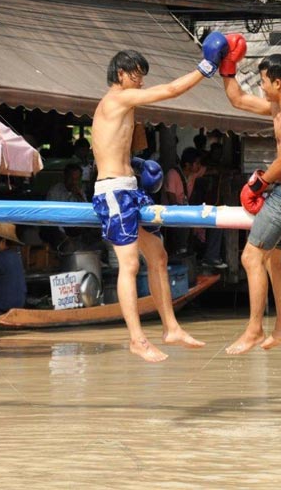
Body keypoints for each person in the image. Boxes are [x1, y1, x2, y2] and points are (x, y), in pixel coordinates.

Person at [90, 40, 227, 362]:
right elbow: (170, 91)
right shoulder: (118, 98)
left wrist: (136, 165)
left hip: (127, 188)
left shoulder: (123, 104)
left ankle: (171, 328)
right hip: (113, 191)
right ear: (121, 74)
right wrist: (204, 69)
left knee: (159, 255)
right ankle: (137, 340)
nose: (141, 81)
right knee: (129, 264)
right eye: (137, 75)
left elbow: (112, 145)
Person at [220, 39, 281, 355]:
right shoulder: (279, 107)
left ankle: (254, 329)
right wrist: (226, 66)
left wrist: (256, 185)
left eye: (263, 81)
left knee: (250, 257)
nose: (260, 87)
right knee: (274, 260)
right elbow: (237, 99)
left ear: (278, 82)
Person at [162, 146, 203, 255]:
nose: (199, 166)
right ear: (187, 165)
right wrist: (184, 213)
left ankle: (190, 249)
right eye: (197, 163)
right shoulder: (172, 174)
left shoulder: (193, 173)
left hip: (185, 208)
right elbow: (172, 201)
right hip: (170, 210)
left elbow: (209, 170)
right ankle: (181, 250)